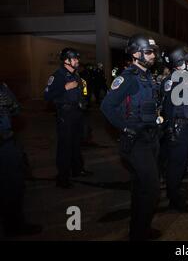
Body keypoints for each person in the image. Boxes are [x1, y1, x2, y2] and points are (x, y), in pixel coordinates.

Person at [101, 34, 161, 241]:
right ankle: (139, 232)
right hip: (136, 141)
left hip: (150, 137)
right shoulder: (128, 78)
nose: (153, 56)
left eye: (153, 52)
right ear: (136, 54)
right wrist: (126, 128)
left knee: (142, 187)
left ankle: (139, 230)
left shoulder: (147, 77)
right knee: (151, 187)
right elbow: (106, 106)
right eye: (148, 52)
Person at [160, 46, 188, 212]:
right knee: (176, 165)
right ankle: (175, 199)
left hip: (172, 127)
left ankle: (173, 190)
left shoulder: (169, 79)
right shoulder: (182, 80)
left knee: (173, 163)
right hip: (181, 128)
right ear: (180, 62)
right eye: (186, 60)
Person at [44, 48, 92, 189]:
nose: (77, 61)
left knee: (77, 143)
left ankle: (77, 170)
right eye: (75, 59)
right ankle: (62, 178)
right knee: (65, 146)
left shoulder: (76, 75)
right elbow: (47, 96)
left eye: (77, 58)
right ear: (67, 60)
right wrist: (65, 87)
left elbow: (80, 92)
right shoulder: (58, 76)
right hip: (65, 115)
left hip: (77, 113)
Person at [0, 83, 42, 238]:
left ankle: (14, 224)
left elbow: (16, 109)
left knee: (14, 185)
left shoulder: (3, 87)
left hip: (7, 142)